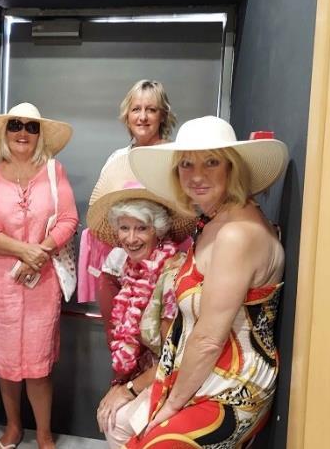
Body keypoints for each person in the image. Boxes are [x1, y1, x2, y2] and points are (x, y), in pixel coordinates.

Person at [124, 116, 289, 447]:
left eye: (211, 162)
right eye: (186, 164)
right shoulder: (214, 221)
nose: (196, 175)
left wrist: (172, 404)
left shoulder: (236, 234)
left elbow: (209, 340)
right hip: (200, 373)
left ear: (232, 168)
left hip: (233, 387)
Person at [0, 102, 78, 449]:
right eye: (15, 125)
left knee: (38, 364)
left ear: (40, 135)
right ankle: (13, 427)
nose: (22, 132)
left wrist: (40, 251)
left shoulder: (54, 171)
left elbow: (69, 220)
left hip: (41, 282)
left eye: (31, 127)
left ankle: (44, 434)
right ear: (5, 132)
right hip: (0, 282)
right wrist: (22, 250)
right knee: (5, 364)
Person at [86, 157, 194, 448]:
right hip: (150, 372)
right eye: (124, 228)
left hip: (180, 377)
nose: (131, 238)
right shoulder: (130, 269)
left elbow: (175, 356)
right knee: (111, 415)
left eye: (141, 228)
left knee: (117, 421)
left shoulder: (172, 275)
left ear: (158, 231)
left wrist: (129, 390)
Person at [84, 80, 178, 330]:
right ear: (127, 116)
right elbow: (104, 208)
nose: (143, 117)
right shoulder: (117, 158)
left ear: (162, 115)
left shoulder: (177, 156)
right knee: (119, 342)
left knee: (156, 342)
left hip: (163, 270)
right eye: (136, 109)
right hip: (116, 269)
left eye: (151, 109)